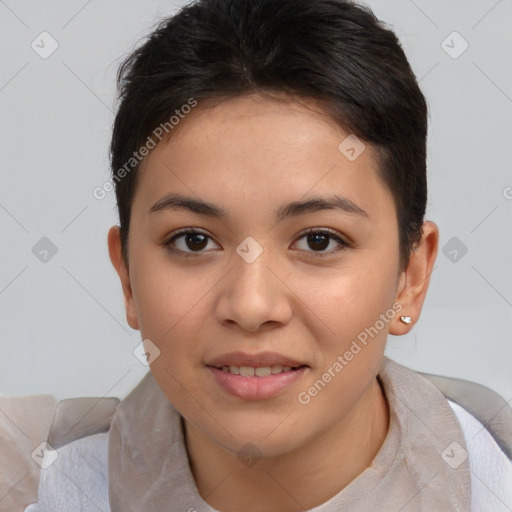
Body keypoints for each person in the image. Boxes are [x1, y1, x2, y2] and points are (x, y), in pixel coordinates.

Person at [1, 0, 511, 511]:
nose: (250, 305)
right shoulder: (32, 487)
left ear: (411, 276)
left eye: (319, 240)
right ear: (128, 277)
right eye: (193, 240)